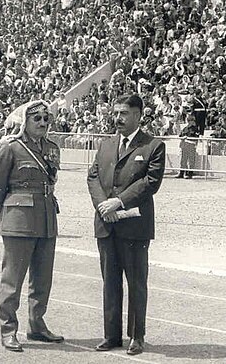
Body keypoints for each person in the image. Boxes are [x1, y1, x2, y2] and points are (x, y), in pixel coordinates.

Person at [86, 94, 166, 356]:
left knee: (136, 282)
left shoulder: (153, 146)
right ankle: (111, 335)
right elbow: (93, 176)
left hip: (134, 227)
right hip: (106, 223)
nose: (118, 118)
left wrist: (117, 202)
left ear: (138, 115)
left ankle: (136, 337)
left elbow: (150, 183)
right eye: (116, 113)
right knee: (110, 281)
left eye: (124, 113)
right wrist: (103, 205)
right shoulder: (106, 144)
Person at [0, 100, 64, 353]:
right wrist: (6, 213)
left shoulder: (51, 148)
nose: (42, 123)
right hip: (19, 219)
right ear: (24, 122)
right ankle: (8, 329)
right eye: (37, 118)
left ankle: (37, 325)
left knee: (42, 278)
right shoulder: (11, 148)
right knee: (13, 279)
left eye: (46, 118)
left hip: (46, 218)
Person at [176, 114, 199, 179]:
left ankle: (190, 174)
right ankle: (181, 173)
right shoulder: (185, 128)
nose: (190, 122)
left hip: (191, 145)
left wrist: (188, 137)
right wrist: (183, 137)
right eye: (189, 120)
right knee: (183, 160)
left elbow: (196, 138)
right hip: (184, 145)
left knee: (191, 160)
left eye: (191, 120)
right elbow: (180, 135)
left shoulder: (195, 129)